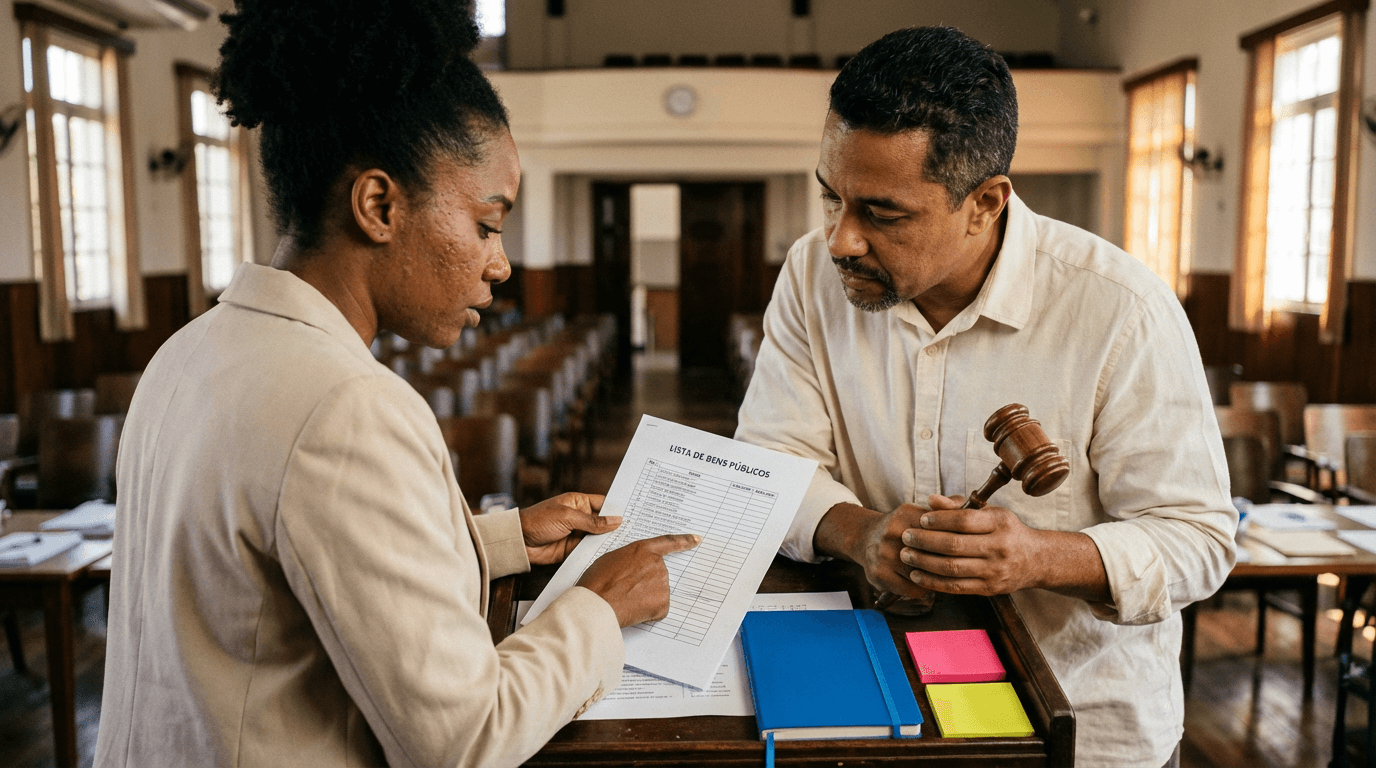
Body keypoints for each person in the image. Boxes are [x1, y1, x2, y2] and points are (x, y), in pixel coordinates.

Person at [94, 2, 699, 766]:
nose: (501, 263)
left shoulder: (189, 349)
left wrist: (504, 540)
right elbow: (464, 738)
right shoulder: (343, 408)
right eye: (487, 223)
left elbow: (273, 563)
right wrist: (599, 609)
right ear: (379, 205)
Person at [734, 26, 1236, 768]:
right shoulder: (812, 276)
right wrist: (861, 533)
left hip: (1081, 719)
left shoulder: (1120, 308)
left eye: (881, 212)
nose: (840, 239)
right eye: (830, 197)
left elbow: (1199, 538)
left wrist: (1038, 556)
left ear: (985, 202)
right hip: (878, 698)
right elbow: (771, 460)